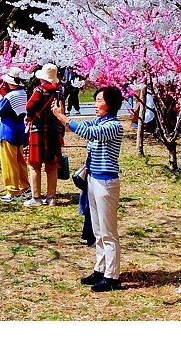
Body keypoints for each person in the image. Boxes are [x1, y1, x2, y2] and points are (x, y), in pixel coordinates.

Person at [53, 86, 125, 292]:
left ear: (110, 104)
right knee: (98, 229)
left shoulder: (114, 126)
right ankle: (100, 269)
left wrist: (62, 117)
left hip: (106, 182)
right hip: (93, 179)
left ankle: (112, 276)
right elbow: (78, 127)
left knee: (108, 231)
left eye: (99, 100)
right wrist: (62, 116)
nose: (95, 104)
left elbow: (88, 132)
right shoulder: (100, 121)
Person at [24, 64, 66, 206]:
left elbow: (29, 106)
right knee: (52, 165)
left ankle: (36, 197)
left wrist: (31, 116)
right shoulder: (60, 91)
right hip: (55, 131)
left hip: (39, 130)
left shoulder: (39, 90)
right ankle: (51, 197)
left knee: (35, 164)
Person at [0, 70, 30, 203]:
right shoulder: (23, 93)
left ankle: (13, 191)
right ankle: (25, 187)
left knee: (9, 163)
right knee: (20, 161)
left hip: (7, 131)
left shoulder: (10, 96)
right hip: (19, 129)